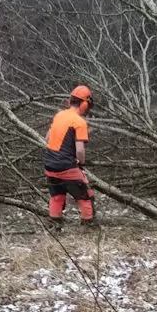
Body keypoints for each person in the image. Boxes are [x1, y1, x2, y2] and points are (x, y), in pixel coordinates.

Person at [44, 85, 95, 225]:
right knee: (86, 197)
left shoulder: (59, 115)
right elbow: (79, 150)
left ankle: (54, 225)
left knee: (57, 196)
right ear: (85, 104)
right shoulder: (79, 122)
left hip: (49, 164)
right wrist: (82, 162)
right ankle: (88, 226)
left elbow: (48, 138)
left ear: (70, 100)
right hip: (66, 166)